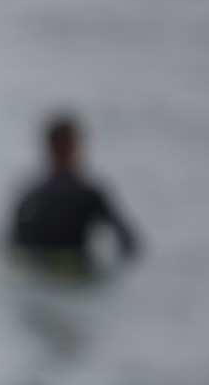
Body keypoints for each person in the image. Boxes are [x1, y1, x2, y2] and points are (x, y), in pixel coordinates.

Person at [10, 113, 140, 270]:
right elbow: (128, 242)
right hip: (74, 273)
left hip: (36, 270)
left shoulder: (30, 195)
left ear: (48, 146)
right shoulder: (88, 194)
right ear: (74, 146)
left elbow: (12, 244)